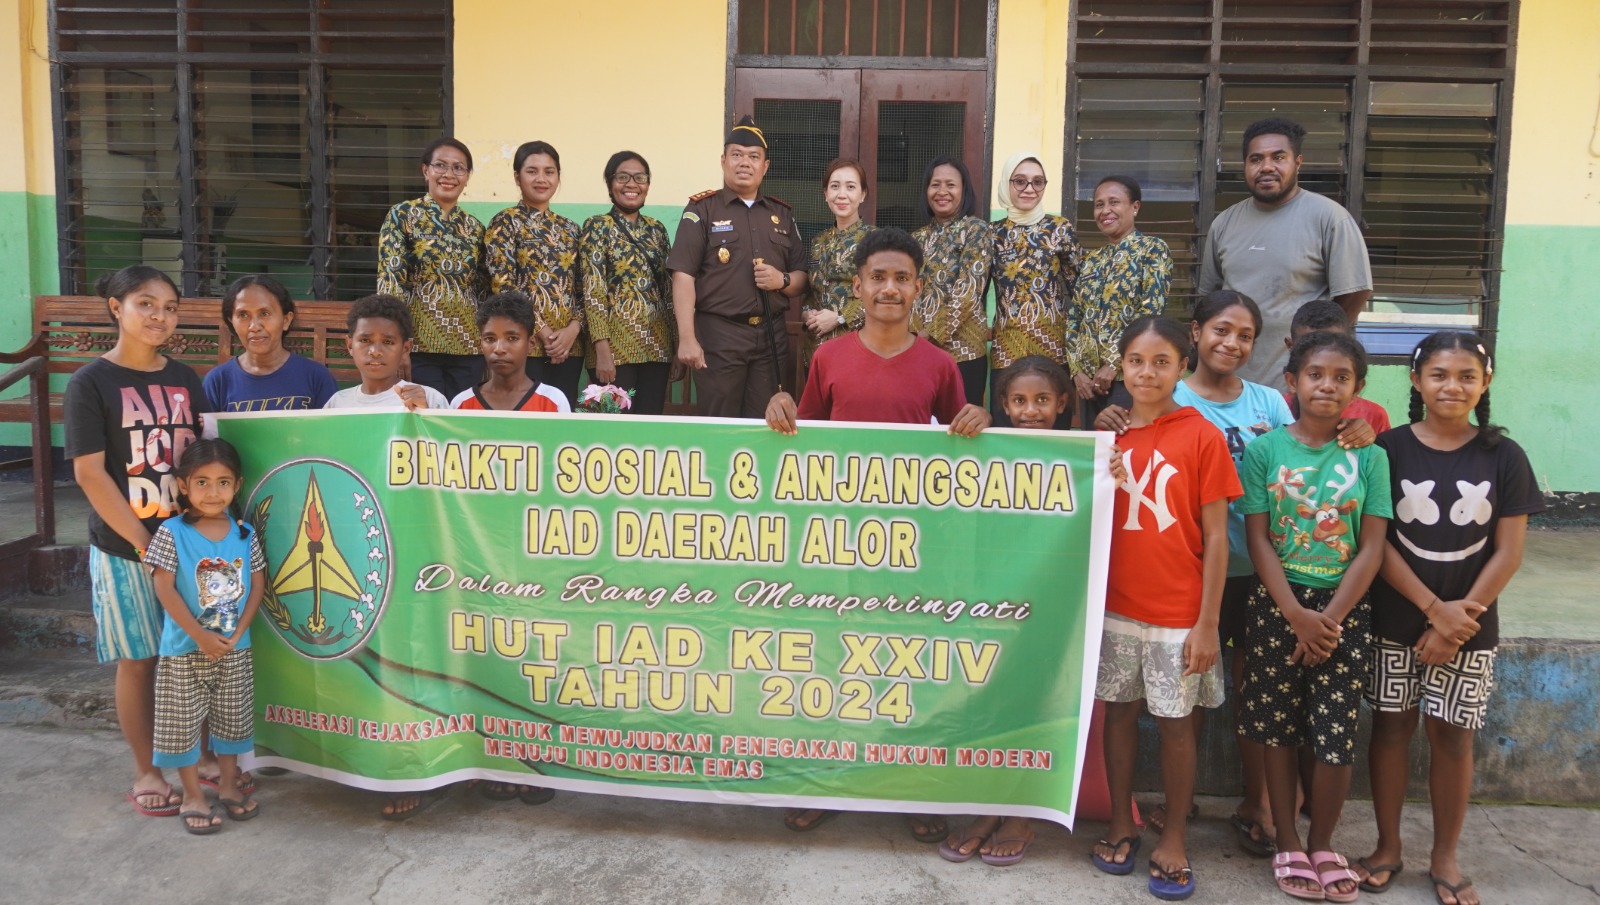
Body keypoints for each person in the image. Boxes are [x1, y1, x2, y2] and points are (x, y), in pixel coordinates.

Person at [765, 227, 988, 842]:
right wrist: (781, 406)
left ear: (919, 288)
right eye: (878, 278)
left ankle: (907, 786)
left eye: (902, 278)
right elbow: (800, 438)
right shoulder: (828, 358)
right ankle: (824, 779)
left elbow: (962, 449)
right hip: (837, 546)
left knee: (904, 664)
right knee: (833, 663)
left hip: (911, 550)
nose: (889, 288)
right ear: (857, 286)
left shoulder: (941, 364)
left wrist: (981, 417)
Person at [1355, 333, 1541, 905]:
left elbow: (1507, 551)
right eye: (1438, 374)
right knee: (1389, 727)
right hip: (1396, 618)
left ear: (1485, 383)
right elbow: (1376, 544)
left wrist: (1457, 620)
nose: (1451, 386)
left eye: (1466, 375)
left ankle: (1445, 857)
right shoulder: (1385, 450)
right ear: (1415, 381)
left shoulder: (1503, 456)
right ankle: (1388, 848)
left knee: (1453, 737)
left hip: (1469, 626)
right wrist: (1432, 611)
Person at [1239, 330, 1392, 902]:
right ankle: (1286, 839)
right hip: (1278, 602)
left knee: (1334, 731)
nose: (1327, 385)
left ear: (1358, 388)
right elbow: (1257, 538)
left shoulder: (1371, 456)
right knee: (1276, 728)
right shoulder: (1265, 451)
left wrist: (1326, 619)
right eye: (1315, 374)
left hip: (1345, 610)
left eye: (1342, 377)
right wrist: (1295, 614)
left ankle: (1323, 841)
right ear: (1292, 382)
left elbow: (1372, 546)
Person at [1090, 316, 1238, 903]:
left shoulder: (1201, 435)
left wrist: (1208, 622)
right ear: (1120, 366)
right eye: (1135, 361)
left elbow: (1219, 538)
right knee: (1119, 714)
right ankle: (1121, 821)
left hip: (1180, 612)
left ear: (1183, 366)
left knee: (1178, 727)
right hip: (1114, 607)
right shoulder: (1108, 433)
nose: (1146, 373)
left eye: (1161, 362)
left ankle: (1174, 833)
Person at [64, 265, 206, 819]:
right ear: (115, 307)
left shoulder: (186, 379)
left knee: (195, 656)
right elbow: (90, 475)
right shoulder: (90, 384)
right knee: (139, 659)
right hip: (127, 548)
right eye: (146, 304)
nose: (159, 317)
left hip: (189, 543)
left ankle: (204, 757)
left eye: (170, 307)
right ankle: (147, 768)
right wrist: (146, 543)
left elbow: (202, 457)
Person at [144, 438, 265, 834]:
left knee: (232, 719)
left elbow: (258, 584)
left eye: (223, 482)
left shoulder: (245, 533)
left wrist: (238, 633)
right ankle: (193, 794)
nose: (213, 492)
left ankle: (229, 785)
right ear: (183, 484)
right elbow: (164, 588)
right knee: (181, 723)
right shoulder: (171, 532)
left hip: (234, 649)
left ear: (237, 485)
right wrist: (200, 637)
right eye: (202, 482)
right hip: (184, 649)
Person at [1198, 118, 1373, 385]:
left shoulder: (1329, 218)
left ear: (1298, 162)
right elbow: (1210, 300)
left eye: (1278, 157)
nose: (1266, 167)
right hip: (1233, 385)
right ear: (1245, 165)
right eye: (1256, 159)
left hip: (1298, 386)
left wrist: (1320, 346)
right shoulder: (1224, 223)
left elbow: (1355, 292)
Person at [669, 115, 808, 418]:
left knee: (767, 422)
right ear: (723, 161)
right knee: (718, 423)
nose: (745, 163)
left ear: (765, 166)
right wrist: (687, 337)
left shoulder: (781, 214)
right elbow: (683, 275)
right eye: (737, 155)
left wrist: (781, 280)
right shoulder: (702, 209)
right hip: (720, 335)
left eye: (754, 157)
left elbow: (802, 278)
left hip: (771, 337)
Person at [377, 137, 489, 401]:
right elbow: (391, 282)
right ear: (425, 170)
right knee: (424, 421)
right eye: (440, 165)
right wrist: (399, 346)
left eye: (459, 168)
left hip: (468, 348)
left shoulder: (475, 228)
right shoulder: (401, 215)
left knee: (461, 425)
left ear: (467, 176)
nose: (449, 174)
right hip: (418, 347)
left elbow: (483, 290)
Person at [485, 140, 585, 405]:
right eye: (532, 171)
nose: (541, 179)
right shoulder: (504, 222)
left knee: (561, 421)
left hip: (569, 348)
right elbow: (503, 287)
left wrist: (573, 330)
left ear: (558, 177)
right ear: (517, 177)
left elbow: (584, 289)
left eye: (549, 171)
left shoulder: (572, 229)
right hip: (524, 347)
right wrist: (542, 332)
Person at [988, 152, 1081, 428]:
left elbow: (1080, 291)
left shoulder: (1059, 229)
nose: (1029, 189)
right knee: (1006, 433)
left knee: (1053, 429)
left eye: (1037, 182)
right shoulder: (991, 233)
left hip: (1053, 347)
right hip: (1007, 346)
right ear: (1007, 184)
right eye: (1020, 181)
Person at [1070, 175, 1171, 427]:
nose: (1105, 211)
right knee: (1095, 454)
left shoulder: (1152, 249)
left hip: (1127, 378)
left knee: (1123, 451)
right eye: (1099, 204)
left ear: (1135, 207)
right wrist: (1076, 371)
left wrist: (1115, 364)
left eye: (1114, 202)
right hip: (1087, 384)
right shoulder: (1092, 259)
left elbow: (1150, 315)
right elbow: (1074, 317)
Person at [580, 150, 674, 415]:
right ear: (610, 184)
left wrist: (675, 346)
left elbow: (667, 291)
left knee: (649, 424)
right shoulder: (597, 226)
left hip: (657, 347)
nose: (632, 184)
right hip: (614, 349)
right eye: (623, 177)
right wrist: (602, 350)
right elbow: (593, 290)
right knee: (613, 427)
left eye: (640, 177)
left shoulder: (657, 230)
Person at [913, 156, 992, 408]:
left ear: (964, 190)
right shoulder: (916, 238)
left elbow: (968, 291)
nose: (942, 191)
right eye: (935, 184)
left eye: (951, 184)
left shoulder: (976, 230)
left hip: (964, 352)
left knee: (960, 431)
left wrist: (928, 335)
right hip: (917, 351)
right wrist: (911, 338)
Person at [203, 274, 337, 412]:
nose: (254, 326)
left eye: (264, 314)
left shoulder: (316, 377)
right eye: (243, 315)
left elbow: (331, 430)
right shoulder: (218, 381)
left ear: (286, 320)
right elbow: (208, 431)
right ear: (231, 322)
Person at [800, 158, 872, 374]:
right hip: (815, 352)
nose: (842, 194)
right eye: (835, 186)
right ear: (825, 194)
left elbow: (881, 297)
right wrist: (806, 313)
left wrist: (840, 317)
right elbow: (811, 293)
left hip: (856, 352)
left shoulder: (876, 241)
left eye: (851, 187)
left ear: (863, 194)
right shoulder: (818, 242)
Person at [324, 294, 449, 412]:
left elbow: (446, 435)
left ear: (405, 349)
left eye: (388, 342)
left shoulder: (430, 399)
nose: (375, 352)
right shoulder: (337, 404)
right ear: (350, 345)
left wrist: (424, 414)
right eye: (365, 340)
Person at [451, 291, 570, 414]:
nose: (499, 349)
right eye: (490, 339)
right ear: (481, 345)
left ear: (531, 344)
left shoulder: (553, 402)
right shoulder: (462, 404)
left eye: (512, 338)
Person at [1284, 300, 1391, 433]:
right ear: (1290, 346)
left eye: (1336, 345)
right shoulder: (1273, 408)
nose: (1324, 353)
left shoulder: (1373, 415)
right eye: (1307, 344)